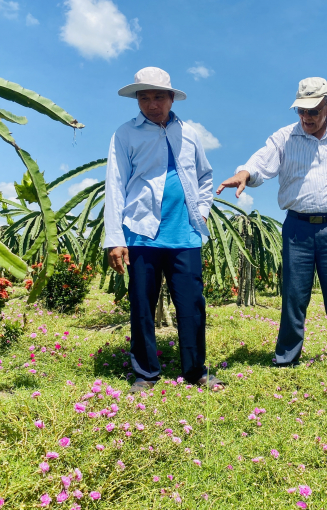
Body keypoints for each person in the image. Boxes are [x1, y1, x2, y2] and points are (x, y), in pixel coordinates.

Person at [217, 77, 327, 377]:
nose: (306, 118)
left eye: (313, 111)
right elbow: (261, 162)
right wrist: (243, 173)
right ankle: (286, 359)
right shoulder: (284, 137)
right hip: (297, 228)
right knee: (293, 297)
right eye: (301, 111)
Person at [104, 67, 223, 393]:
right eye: (144, 97)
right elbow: (114, 185)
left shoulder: (189, 134)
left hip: (185, 234)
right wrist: (115, 238)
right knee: (142, 305)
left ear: (171, 98)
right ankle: (145, 373)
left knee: (192, 306)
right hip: (141, 232)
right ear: (137, 100)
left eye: (158, 96)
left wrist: (200, 212)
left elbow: (205, 177)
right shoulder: (125, 135)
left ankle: (196, 370)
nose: (152, 104)